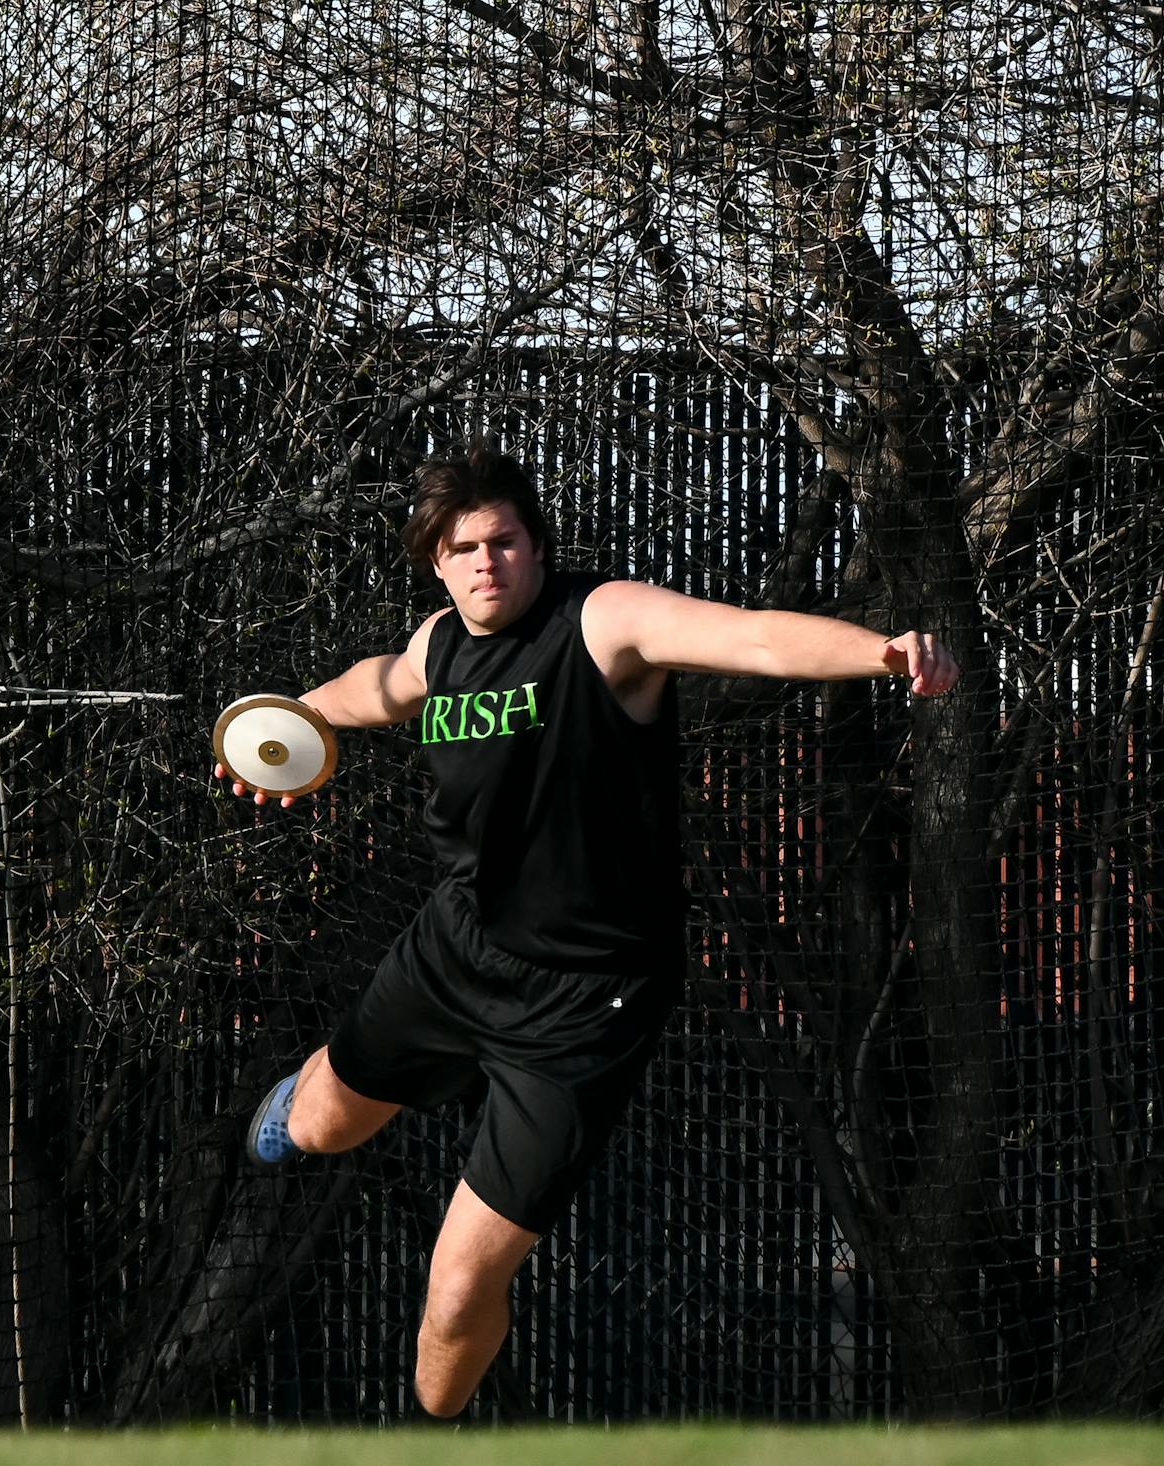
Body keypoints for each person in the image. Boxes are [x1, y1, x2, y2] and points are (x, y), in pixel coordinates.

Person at [217, 444, 959, 1418]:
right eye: (463, 546)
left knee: (454, 1291)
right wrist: (284, 725)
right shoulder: (441, 644)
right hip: (453, 953)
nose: (486, 560)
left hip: (582, 1009)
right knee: (317, 1125)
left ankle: (427, 1433)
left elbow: (757, 638)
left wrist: (882, 650)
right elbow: (380, 684)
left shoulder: (603, 621)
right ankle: (298, 1104)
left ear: (535, 543)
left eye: (505, 539)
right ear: (437, 562)